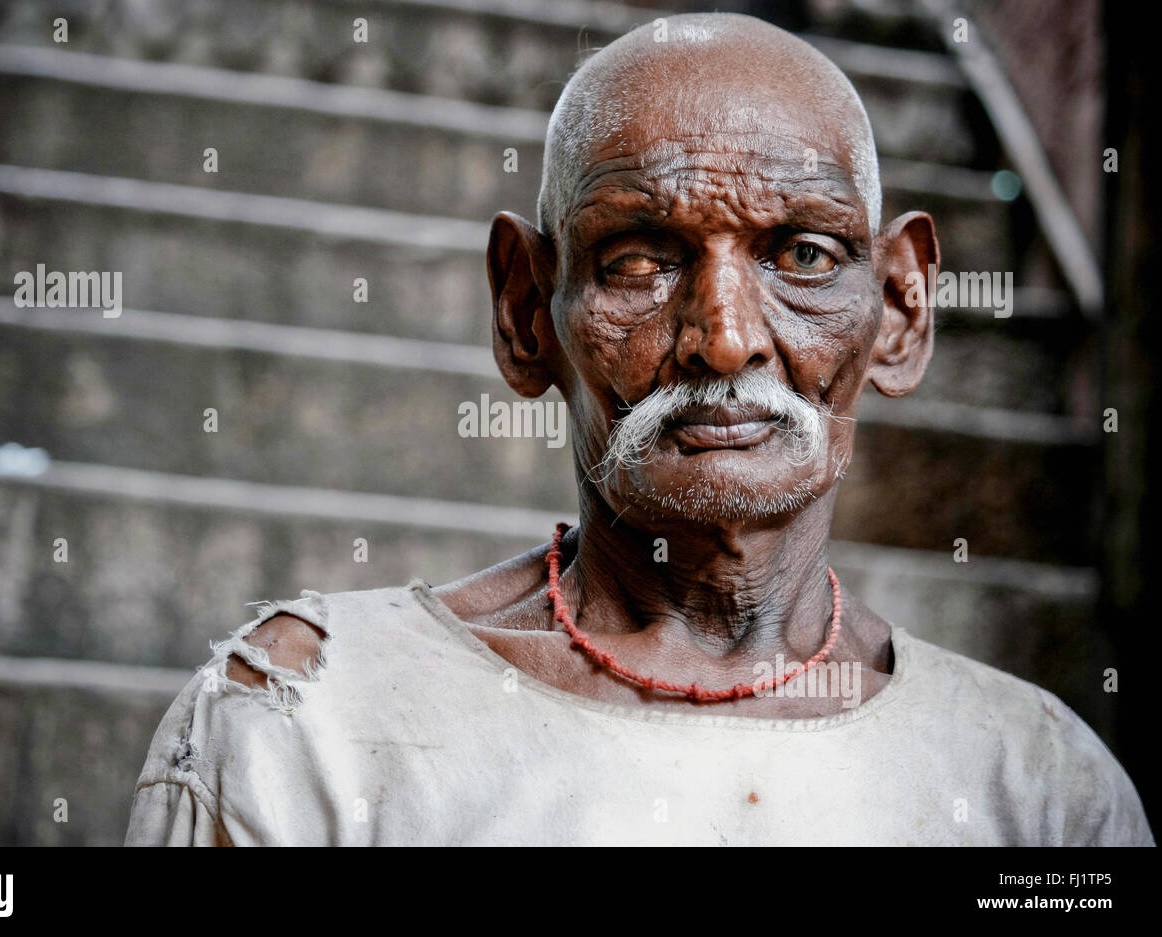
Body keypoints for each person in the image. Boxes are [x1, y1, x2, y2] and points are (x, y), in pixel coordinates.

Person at [125, 13, 1153, 846]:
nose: (724, 339)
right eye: (637, 260)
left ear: (899, 309)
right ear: (527, 311)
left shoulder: (1038, 789)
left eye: (800, 255)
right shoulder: (312, 720)